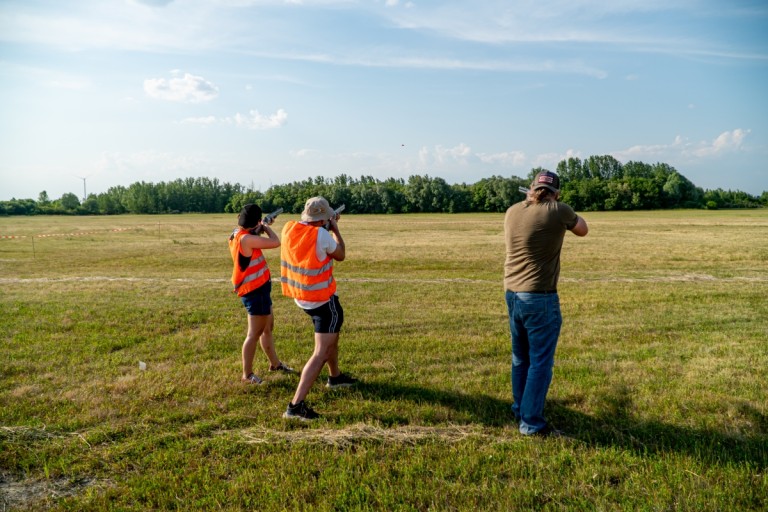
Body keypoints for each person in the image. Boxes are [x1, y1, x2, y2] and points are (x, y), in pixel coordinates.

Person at [504, 170, 588, 437]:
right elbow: (583, 229)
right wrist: (558, 203)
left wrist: (531, 199)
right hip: (539, 296)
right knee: (540, 363)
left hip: (513, 294)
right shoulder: (558, 210)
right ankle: (531, 423)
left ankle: (520, 408)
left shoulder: (512, 211)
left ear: (532, 188)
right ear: (556, 193)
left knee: (521, 359)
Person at [280, 196, 357, 420]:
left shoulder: (289, 228)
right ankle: (295, 406)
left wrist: (326, 223)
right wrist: (335, 228)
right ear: (323, 218)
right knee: (320, 352)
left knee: (331, 339)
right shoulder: (322, 234)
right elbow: (340, 254)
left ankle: (335, 377)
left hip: (302, 297)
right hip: (323, 300)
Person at [229, 204, 294, 385]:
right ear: (256, 221)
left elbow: (249, 234)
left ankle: (275, 364)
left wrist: (259, 227)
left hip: (260, 288)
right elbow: (275, 241)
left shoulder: (238, 232)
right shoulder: (246, 239)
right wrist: (266, 227)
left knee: (267, 328)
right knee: (254, 333)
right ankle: (247, 374)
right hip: (253, 290)